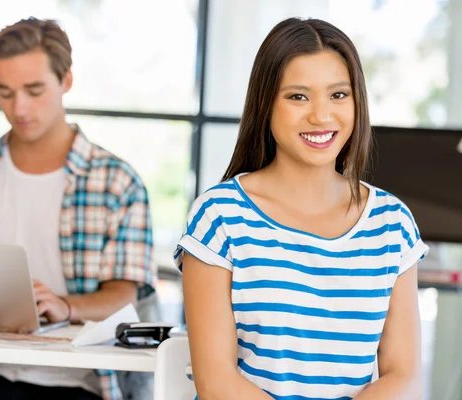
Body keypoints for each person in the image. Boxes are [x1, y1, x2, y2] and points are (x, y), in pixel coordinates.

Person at [175, 17, 428, 400]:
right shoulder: (219, 216)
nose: (321, 116)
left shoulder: (392, 224)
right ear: (265, 104)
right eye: (298, 96)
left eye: (338, 95)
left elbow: (403, 375)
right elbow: (216, 382)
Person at [0, 18, 157, 400]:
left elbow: (123, 296)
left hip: (77, 382)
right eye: (5, 92)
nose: (19, 108)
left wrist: (64, 306)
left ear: (66, 81)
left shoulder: (117, 182)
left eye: (34, 90)